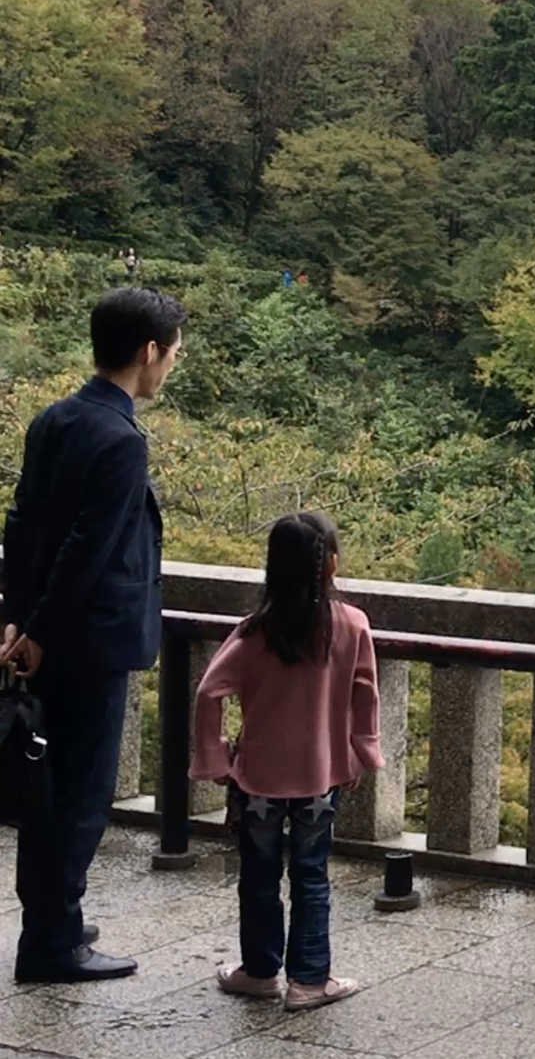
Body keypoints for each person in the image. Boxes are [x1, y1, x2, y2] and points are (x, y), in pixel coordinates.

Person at [1, 287, 185, 983]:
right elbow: (90, 547)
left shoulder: (56, 419)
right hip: (90, 642)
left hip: (42, 636)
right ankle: (52, 945)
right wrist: (41, 628)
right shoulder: (120, 440)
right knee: (79, 797)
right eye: (172, 353)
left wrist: (15, 617)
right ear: (148, 352)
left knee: (49, 791)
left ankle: (56, 920)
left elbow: (21, 525)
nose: (172, 365)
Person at [192, 513, 381, 1012]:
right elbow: (365, 697)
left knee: (258, 875)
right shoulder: (351, 625)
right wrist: (363, 751)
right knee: (311, 874)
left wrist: (214, 756)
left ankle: (258, 971)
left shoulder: (255, 631)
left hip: (257, 777)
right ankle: (308, 981)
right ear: (332, 564)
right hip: (321, 774)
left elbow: (210, 690)